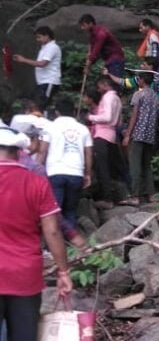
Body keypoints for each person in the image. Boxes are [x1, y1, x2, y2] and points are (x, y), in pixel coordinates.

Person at [0, 125, 72, 341]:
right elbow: (53, 232)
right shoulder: (35, 182)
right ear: (18, 152)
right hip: (24, 277)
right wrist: (63, 270)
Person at [41, 97, 93, 248]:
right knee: (70, 210)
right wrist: (88, 174)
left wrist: (36, 170)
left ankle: (54, 246)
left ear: (57, 112)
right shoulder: (83, 129)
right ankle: (71, 245)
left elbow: (43, 151)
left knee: (54, 211)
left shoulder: (50, 127)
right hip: (76, 173)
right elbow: (88, 153)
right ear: (73, 111)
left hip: (55, 172)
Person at [85, 76, 123, 208]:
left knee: (102, 168)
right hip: (111, 134)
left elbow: (107, 117)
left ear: (105, 84)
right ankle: (120, 195)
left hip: (102, 135)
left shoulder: (107, 97)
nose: (98, 89)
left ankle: (107, 199)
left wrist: (90, 117)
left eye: (99, 86)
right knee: (114, 167)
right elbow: (118, 120)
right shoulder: (117, 98)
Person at [123, 71, 159, 206]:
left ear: (142, 80)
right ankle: (151, 194)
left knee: (135, 165)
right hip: (150, 135)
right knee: (146, 165)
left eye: (138, 79)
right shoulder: (155, 96)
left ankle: (135, 195)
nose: (137, 80)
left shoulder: (139, 94)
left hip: (138, 134)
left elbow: (134, 115)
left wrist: (128, 134)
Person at [12, 26, 62, 111]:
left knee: (40, 106)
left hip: (49, 80)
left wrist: (24, 60)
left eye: (39, 37)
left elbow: (42, 64)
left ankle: (41, 122)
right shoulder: (45, 47)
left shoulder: (52, 47)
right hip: (43, 82)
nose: (37, 40)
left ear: (47, 36)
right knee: (39, 105)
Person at [79, 14, 125, 80]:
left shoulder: (100, 33)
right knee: (108, 82)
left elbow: (95, 52)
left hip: (115, 60)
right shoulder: (92, 35)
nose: (82, 28)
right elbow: (91, 51)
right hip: (109, 60)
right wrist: (88, 63)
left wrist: (88, 66)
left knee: (114, 83)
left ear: (90, 23)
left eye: (84, 25)